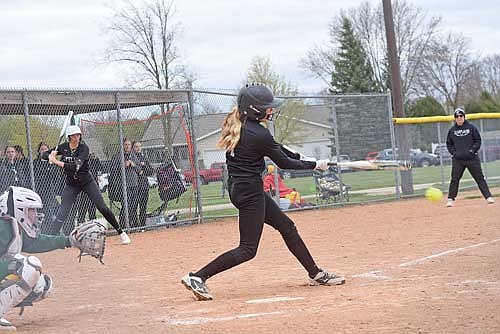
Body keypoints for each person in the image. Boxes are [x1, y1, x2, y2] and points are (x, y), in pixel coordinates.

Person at [181, 83, 345, 301]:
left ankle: (315, 273)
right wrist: (315, 165)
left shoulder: (244, 125)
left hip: (241, 188)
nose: (271, 110)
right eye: (268, 107)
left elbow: (276, 148)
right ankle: (198, 277)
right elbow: (283, 162)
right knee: (248, 249)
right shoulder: (258, 133)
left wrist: (300, 156)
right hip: (250, 192)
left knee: (287, 226)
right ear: (255, 109)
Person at [0, 187, 76, 331]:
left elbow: (35, 242)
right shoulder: (3, 227)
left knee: (42, 286)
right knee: (28, 266)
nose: (35, 215)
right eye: (31, 210)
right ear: (19, 210)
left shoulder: (13, 226)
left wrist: (68, 241)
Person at [44, 125, 131, 244]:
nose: (76, 138)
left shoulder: (84, 148)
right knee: (63, 211)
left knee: (102, 207)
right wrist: (49, 155)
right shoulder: (63, 147)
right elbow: (44, 155)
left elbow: (76, 166)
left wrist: (56, 161)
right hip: (72, 184)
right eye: (74, 136)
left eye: (78, 135)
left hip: (87, 181)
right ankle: (50, 240)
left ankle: (121, 232)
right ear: (69, 137)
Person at [446, 108, 495, 207]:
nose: (459, 118)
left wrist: (472, 151)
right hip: (458, 160)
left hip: (472, 158)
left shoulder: (471, 128)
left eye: (461, 116)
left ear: (464, 117)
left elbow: (478, 141)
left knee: (480, 178)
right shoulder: (452, 130)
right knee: (454, 179)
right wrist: (454, 153)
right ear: (455, 118)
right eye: (457, 116)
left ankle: (488, 197)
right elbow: (449, 144)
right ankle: (451, 199)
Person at [110, 139, 140, 229]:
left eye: (129, 144)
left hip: (134, 184)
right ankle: (123, 225)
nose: (127, 146)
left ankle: (131, 224)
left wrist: (132, 164)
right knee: (127, 204)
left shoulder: (133, 155)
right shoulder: (118, 156)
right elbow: (112, 169)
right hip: (124, 185)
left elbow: (139, 169)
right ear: (122, 145)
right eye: (126, 144)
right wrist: (123, 165)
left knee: (134, 205)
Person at [33, 142, 61, 233]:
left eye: (45, 149)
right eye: (42, 149)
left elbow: (57, 177)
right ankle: (44, 231)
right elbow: (35, 177)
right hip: (39, 192)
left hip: (50, 192)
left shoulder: (53, 162)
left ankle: (52, 231)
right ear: (39, 151)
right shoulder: (35, 163)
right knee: (44, 212)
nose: (44, 151)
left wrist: (55, 189)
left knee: (54, 211)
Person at [132, 141, 153, 227]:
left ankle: (143, 225)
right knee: (133, 207)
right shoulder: (131, 157)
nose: (138, 148)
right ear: (133, 148)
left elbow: (150, 171)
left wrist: (143, 166)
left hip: (144, 185)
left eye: (139, 146)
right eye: (136, 146)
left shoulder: (143, 158)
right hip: (135, 186)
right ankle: (136, 226)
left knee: (143, 207)